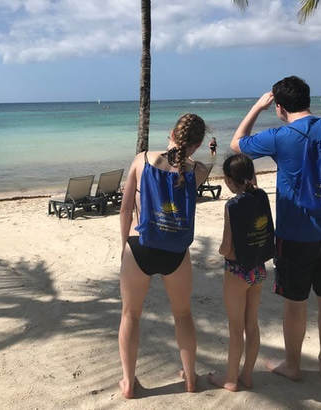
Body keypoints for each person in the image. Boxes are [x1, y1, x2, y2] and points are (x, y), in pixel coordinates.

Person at [229, 76, 321, 381]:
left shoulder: (281, 136)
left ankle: (293, 365)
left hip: (294, 235)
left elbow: (237, 144)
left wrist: (255, 108)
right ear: (308, 99)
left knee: (295, 303)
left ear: (279, 107)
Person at [118, 113, 209, 398]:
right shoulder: (201, 170)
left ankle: (129, 383)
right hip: (175, 250)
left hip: (141, 245)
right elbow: (185, 175)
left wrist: (124, 247)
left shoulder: (142, 159)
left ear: (171, 132)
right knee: (183, 315)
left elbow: (124, 209)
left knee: (130, 314)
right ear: (197, 144)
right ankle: (191, 379)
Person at [208, 154, 274, 391]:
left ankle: (230, 379)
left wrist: (220, 251)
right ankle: (247, 375)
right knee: (251, 325)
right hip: (257, 268)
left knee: (235, 329)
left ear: (228, 180)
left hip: (237, 271)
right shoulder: (261, 196)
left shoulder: (232, 205)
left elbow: (227, 246)